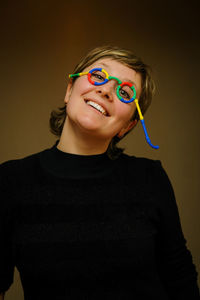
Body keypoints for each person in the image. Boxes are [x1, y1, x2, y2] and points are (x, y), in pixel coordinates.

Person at [0, 45, 199, 300]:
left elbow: (180, 277)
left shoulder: (150, 178)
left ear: (127, 126)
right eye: (99, 76)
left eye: (125, 92)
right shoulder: (10, 181)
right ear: (69, 90)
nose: (106, 90)